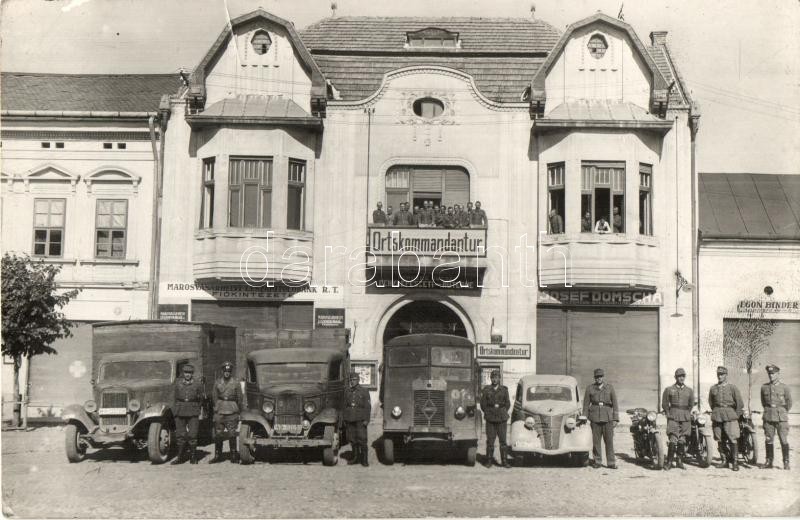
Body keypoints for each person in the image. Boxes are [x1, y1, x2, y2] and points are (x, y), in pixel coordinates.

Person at [708, 366, 744, 471]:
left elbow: (739, 403)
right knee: (719, 438)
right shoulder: (713, 388)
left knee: (733, 438)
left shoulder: (732, 388)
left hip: (730, 415)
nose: (720, 376)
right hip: (717, 415)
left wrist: (735, 415)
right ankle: (724, 460)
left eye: (722, 374)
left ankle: (735, 462)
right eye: (718, 374)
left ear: (726, 375)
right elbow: (711, 402)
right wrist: (716, 411)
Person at [583, 368, 619, 469]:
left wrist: (615, 418)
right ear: (594, 378)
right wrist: (584, 417)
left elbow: (615, 404)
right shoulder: (590, 388)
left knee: (609, 441)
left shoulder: (609, 388)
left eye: (600, 376)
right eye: (597, 377)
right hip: (594, 418)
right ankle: (597, 461)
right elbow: (586, 404)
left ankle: (611, 462)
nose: (599, 378)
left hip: (607, 417)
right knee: (596, 441)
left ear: (603, 377)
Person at [209, 361, 243, 464]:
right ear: (222, 372)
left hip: (232, 409)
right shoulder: (218, 382)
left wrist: (238, 410)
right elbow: (214, 396)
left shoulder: (236, 382)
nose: (227, 373)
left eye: (228, 371)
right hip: (220, 410)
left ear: (231, 372)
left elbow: (240, 397)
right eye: (225, 371)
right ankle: (218, 455)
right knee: (218, 434)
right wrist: (216, 407)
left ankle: (233, 455)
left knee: (232, 433)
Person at [172, 363, 205, 464]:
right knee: (180, 435)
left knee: (193, 435)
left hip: (192, 410)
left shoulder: (197, 384)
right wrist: (175, 410)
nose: (187, 375)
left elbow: (201, 399)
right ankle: (180, 457)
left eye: (189, 373)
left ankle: (193, 457)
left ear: (192, 374)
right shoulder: (177, 383)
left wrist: (196, 408)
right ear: (183, 373)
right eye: (186, 372)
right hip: (180, 410)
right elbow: (174, 397)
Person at [662, 368, 694, 470]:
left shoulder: (689, 390)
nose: (681, 378)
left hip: (685, 416)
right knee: (673, 438)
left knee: (682, 439)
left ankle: (679, 461)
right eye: (679, 376)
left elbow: (691, 404)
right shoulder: (669, 389)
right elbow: (665, 403)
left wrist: (686, 413)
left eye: (683, 376)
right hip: (673, 415)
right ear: (676, 377)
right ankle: (669, 462)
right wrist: (668, 413)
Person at [761, 364, 792, 469]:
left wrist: (782, 411)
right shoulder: (764, 387)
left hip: (781, 418)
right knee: (768, 439)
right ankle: (769, 462)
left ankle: (786, 462)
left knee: (783, 440)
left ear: (778, 374)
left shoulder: (785, 387)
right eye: (769, 374)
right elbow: (763, 402)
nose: (771, 376)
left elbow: (789, 403)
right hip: (768, 417)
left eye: (773, 373)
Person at [480, 369, 511, 468]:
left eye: (496, 377)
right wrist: (489, 412)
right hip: (490, 419)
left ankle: (504, 461)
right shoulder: (486, 390)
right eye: (493, 377)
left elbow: (507, 404)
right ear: (490, 378)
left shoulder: (504, 390)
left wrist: (501, 411)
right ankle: (489, 461)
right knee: (490, 441)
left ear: (499, 379)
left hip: (502, 418)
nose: (494, 379)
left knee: (503, 441)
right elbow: (483, 404)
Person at [343, 371, 371, 467]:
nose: (352, 381)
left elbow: (367, 407)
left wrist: (367, 419)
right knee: (352, 440)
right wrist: (345, 418)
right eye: (351, 380)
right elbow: (345, 406)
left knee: (362, 440)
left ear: (358, 380)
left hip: (360, 419)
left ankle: (364, 460)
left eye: (354, 380)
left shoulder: (364, 391)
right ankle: (355, 458)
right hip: (350, 419)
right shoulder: (347, 391)